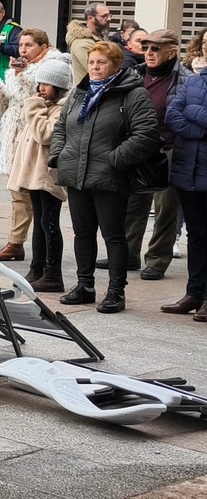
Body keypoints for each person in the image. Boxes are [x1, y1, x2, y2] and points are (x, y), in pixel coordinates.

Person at [50, 40, 160, 314]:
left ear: (116, 65)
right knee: (82, 233)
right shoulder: (80, 92)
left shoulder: (133, 94)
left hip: (110, 177)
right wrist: (59, 155)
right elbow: (62, 125)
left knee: (113, 235)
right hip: (77, 173)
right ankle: (84, 285)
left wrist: (115, 160)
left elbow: (145, 134)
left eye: (102, 63)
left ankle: (115, 291)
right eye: (91, 62)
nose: (95, 67)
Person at [0, 28, 63, 263]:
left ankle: (20, 242)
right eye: (20, 45)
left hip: (35, 131)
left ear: (43, 47)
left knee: (31, 192)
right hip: (13, 128)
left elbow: (42, 95)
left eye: (29, 45)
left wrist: (24, 74)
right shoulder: (17, 68)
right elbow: (5, 105)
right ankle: (17, 242)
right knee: (18, 190)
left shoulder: (52, 65)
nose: (23, 50)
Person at [125, 29, 186, 282]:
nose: (148, 53)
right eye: (146, 48)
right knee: (132, 204)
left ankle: (157, 261)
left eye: (155, 49)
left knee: (165, 208)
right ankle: (127, 254)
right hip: (139, 146)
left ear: (172, 52)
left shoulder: (184, 79)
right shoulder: (135, 73)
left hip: (170, 148)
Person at [11, 57, 71, 292]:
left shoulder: (60, 108)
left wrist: (34, 108)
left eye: (46, 84)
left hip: (48, 176)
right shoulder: (44, 105)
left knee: (49, 222)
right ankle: (37, 268)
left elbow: (45, 135)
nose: (40, 89)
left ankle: (53, 274)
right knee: (40, 222)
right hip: (34, 174)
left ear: (59, 86)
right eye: (39, 83)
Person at [166, 50, 207, 318]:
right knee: (196, 235)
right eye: (205, 43)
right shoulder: (193, 81)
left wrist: (192, 112)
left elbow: (184, 112)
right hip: (188, 171)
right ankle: (194, 293)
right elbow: (172, 115)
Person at [65, 2, 112, 86]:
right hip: (89, 94)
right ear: (90, 18)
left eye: (109, 15)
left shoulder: (98, 38)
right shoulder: (82, 44)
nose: (109, 19)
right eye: (104, 16)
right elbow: (98, 72)